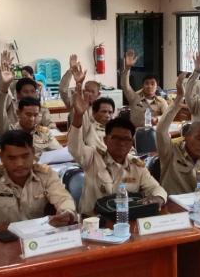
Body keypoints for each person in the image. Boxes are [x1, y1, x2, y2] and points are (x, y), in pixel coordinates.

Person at [0, 100, 77, 228]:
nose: (19, 164)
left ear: (33, 153)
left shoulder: (45, 175)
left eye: (25, 156)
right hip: (0, 238)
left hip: (35, 236)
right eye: (12, 158)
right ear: (2, 157)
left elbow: (63, 198)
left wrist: (66, 212)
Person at [68, 84, 167, 215]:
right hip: (93, 220)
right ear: (106, 140)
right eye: (116, 138)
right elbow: (74, 147)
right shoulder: (92, 157)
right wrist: (78, 116)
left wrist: (158, 198)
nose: (121, 143)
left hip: (124, 219)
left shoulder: (137, 166)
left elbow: (156, 188)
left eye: (126, 139)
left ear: (131, 143)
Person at [0, 51, 55, 130]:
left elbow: (51, 124)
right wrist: (4, 85)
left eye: (32, 91)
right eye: (26, 92)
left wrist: (46, 130)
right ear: (18, 94)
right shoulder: (11, 106)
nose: (30, 94)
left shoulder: (41, 108)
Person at [121, 49, 169, 127]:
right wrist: (127, 69)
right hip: (136, 131)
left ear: (157, 87)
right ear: (142, 85)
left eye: (152, 84)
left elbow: (167, 117)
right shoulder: (134, 97)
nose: (149, 86)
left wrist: (157, 119)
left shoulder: (161, 102)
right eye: (146, 83)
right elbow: (125, 85)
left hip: (153, 132)